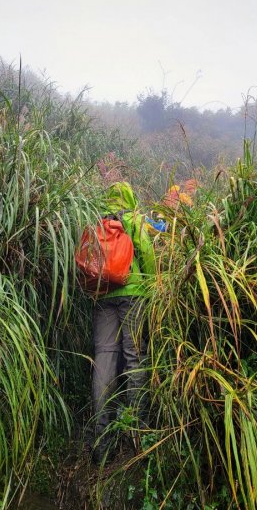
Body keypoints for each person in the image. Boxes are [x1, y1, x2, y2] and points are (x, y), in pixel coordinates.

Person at [92, 182, 155, 464]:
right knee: (134, 359)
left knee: (104, 360)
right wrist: (154, 285)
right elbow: (146, 253)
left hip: (103, 296)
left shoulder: (97, 222)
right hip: (133, 296)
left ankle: (101, 441)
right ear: (130, 197)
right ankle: (138, 438)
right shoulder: (132, 218)